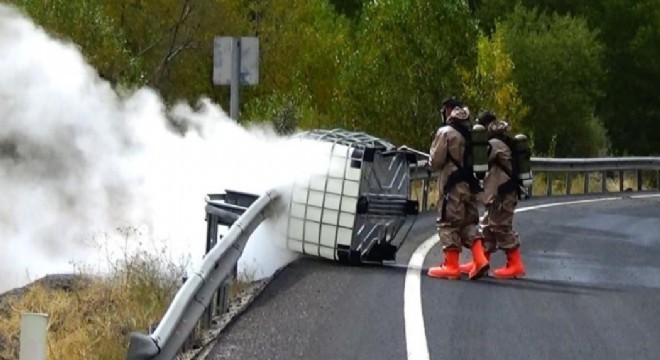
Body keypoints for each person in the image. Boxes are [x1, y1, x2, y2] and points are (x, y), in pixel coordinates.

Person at [426, 98, 490, 280]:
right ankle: (479, 259)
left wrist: (430, 165)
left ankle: (451, 266)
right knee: (467, 223)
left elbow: (436, 161)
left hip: (452, 186)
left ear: (448, 110)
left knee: (448, 222)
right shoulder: (471, 132)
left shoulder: (446, 132)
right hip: (470, 186)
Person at [459, 111, 526, 279]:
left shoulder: (494, 144)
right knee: (487, 227)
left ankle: (515, 264)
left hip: (503, 194)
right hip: (498, 193)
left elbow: (479, 162)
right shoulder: (500, 141)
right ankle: (481, 261)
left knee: (501, 227)